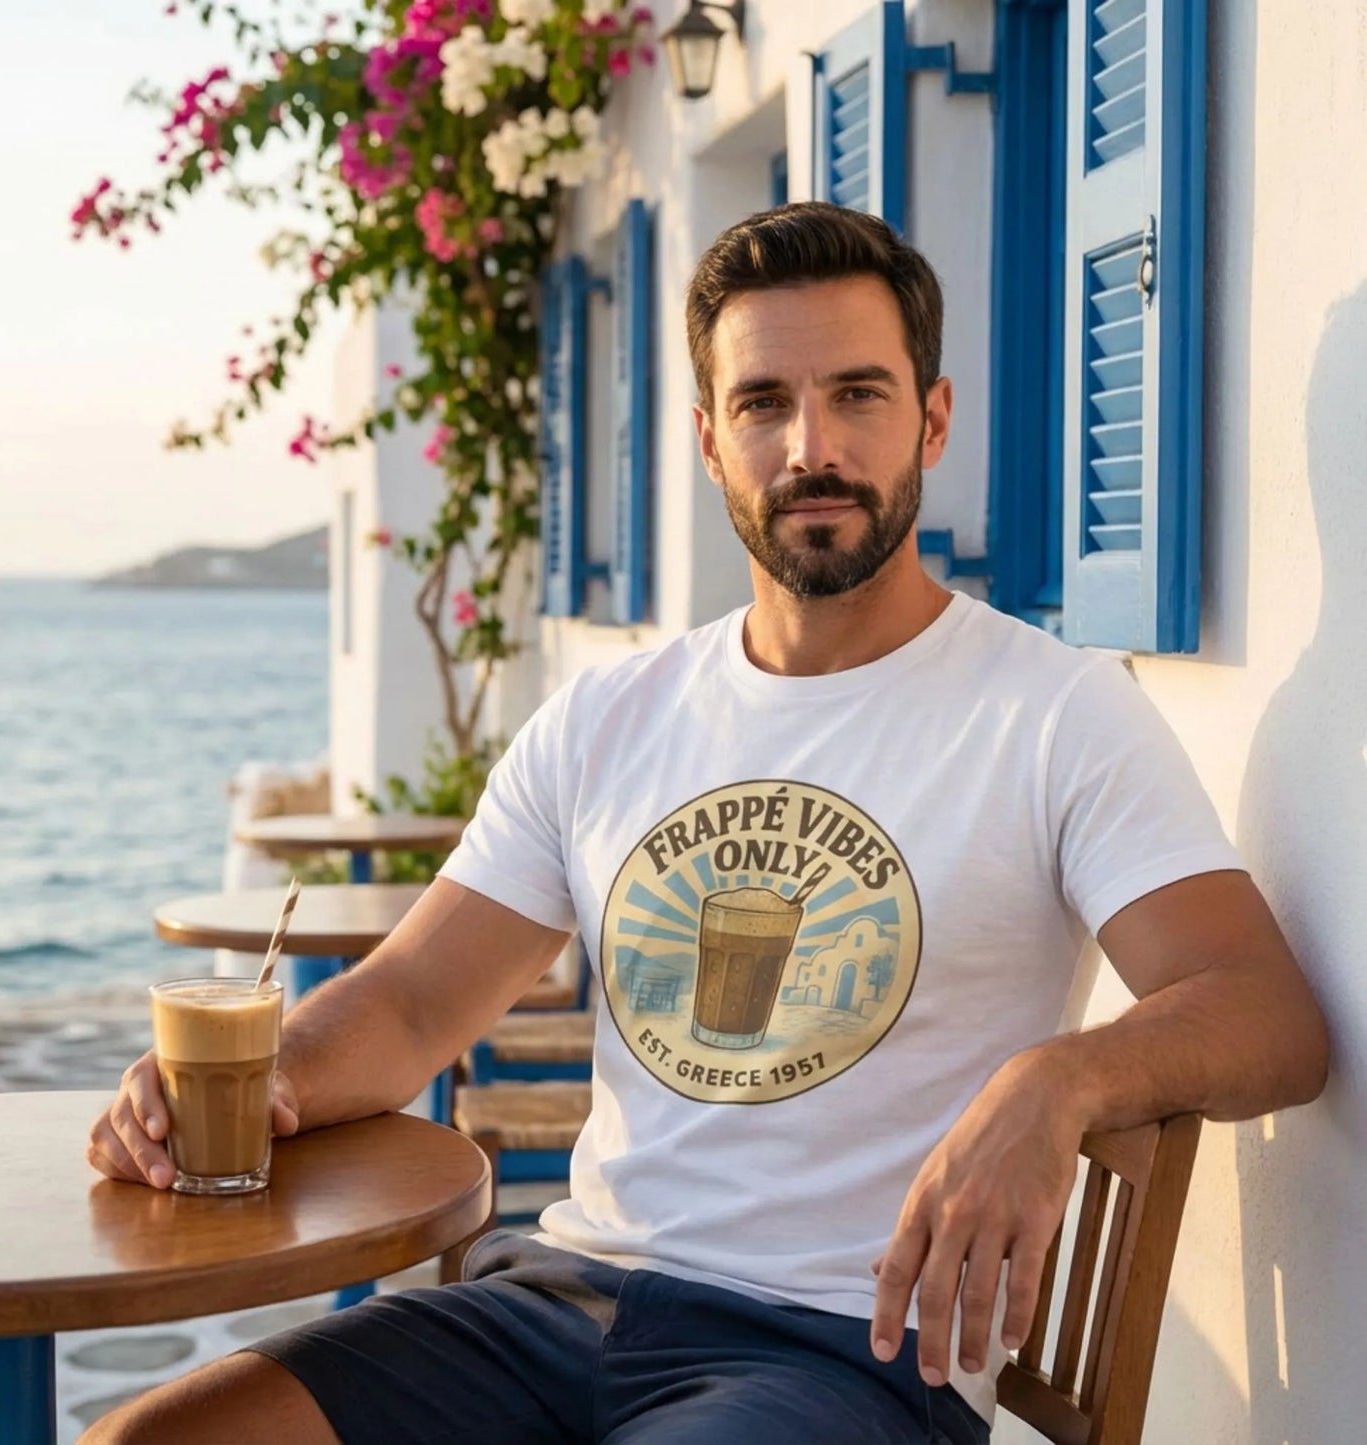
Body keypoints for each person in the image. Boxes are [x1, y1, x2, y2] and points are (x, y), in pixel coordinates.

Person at [81, 202, 1330, 1445]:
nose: (810, 447)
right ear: (706, 437)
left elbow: (1265, 1014)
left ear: (931, 419)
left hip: (849, 1357)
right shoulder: (608, 718)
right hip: (560, 1304)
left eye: (857, 395)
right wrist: (256, 1081)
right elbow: (411, 1003)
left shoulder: (1053, 711)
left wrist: (1060, 1075)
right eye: (762, 404)